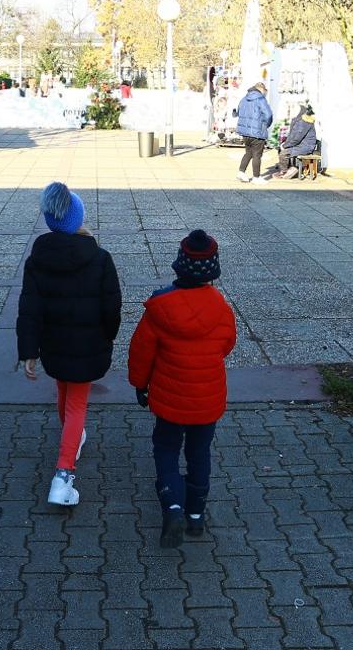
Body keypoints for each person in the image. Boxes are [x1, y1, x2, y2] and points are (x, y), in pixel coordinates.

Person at [127, 229, 237, 548]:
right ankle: (196, 516)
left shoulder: (160, 307)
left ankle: (172, 506)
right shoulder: (221, 307)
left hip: (170, 400)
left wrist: (140, 385)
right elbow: (227, 344)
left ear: (179, 265)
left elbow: (141, 351)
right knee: (199, 452)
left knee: (166, 448)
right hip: (207, 400)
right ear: (212, 271)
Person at [17, 182, 122, 507]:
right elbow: (112, 305)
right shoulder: (100, 258)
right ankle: (63, 476)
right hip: (88, 342)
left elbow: (29, 308)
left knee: (64, 389)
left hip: (54, 342)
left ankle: (71, 439)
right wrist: (109, 335)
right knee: (77, 404)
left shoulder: (38, 259)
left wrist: (28, 351)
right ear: (78, 219)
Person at [234, 82, 273, 183]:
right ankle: (256, 177)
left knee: (248, 153)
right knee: (257, 155)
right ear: (262, 90)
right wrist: (265, 125)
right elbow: (268, 115)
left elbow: (238, 112)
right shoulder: (261, 99)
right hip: (257, 132)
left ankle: (241, 172)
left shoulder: (244, 99)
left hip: (245, 132)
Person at [272, 105, 319, 179]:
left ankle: (284, 172)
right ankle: (286, 169)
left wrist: (285, 146)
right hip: (301, 145)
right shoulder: (298, 120)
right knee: (281, 150)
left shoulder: (304, 122)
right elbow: (292, 136)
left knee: (283, 153)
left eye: (291, 110)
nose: (289, 112)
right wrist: (285, 144)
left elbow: (297, 138)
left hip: (305, 146)